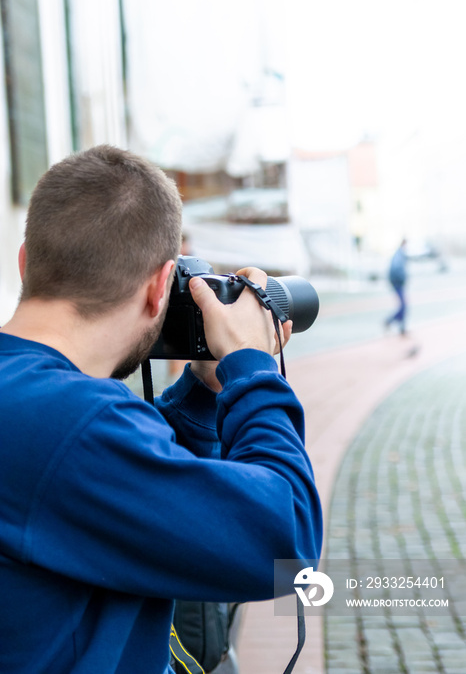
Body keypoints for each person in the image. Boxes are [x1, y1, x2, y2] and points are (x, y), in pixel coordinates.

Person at [0, 145, 322, 674]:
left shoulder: (42, 409)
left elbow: (114, 495)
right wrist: (253, 368)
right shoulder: (74, 424)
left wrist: (203, 391)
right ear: (159, 289)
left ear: (25, 262)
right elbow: (285, 543)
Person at [385, 238, 408, 335]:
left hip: (397, 283)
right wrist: (401, 280)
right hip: (397, 283)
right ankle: (390, 321)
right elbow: (396, 269)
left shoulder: (400, 254)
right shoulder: (399, 255)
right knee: (403, 306)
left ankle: (401, 326)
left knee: (403, 306)